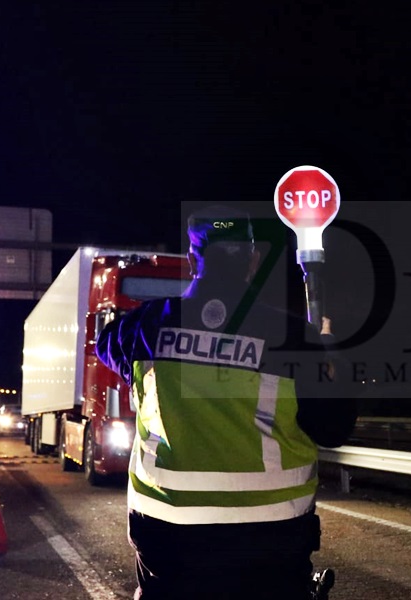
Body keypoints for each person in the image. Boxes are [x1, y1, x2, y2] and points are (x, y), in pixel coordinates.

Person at [96, 204, 357, 599]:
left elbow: (105, 343)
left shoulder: (146, 327)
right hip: (272, 537)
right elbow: (335, 427)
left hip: (168, 533)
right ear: (252, 260)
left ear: (192, 257)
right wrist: (330, 354)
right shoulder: (292, 336)